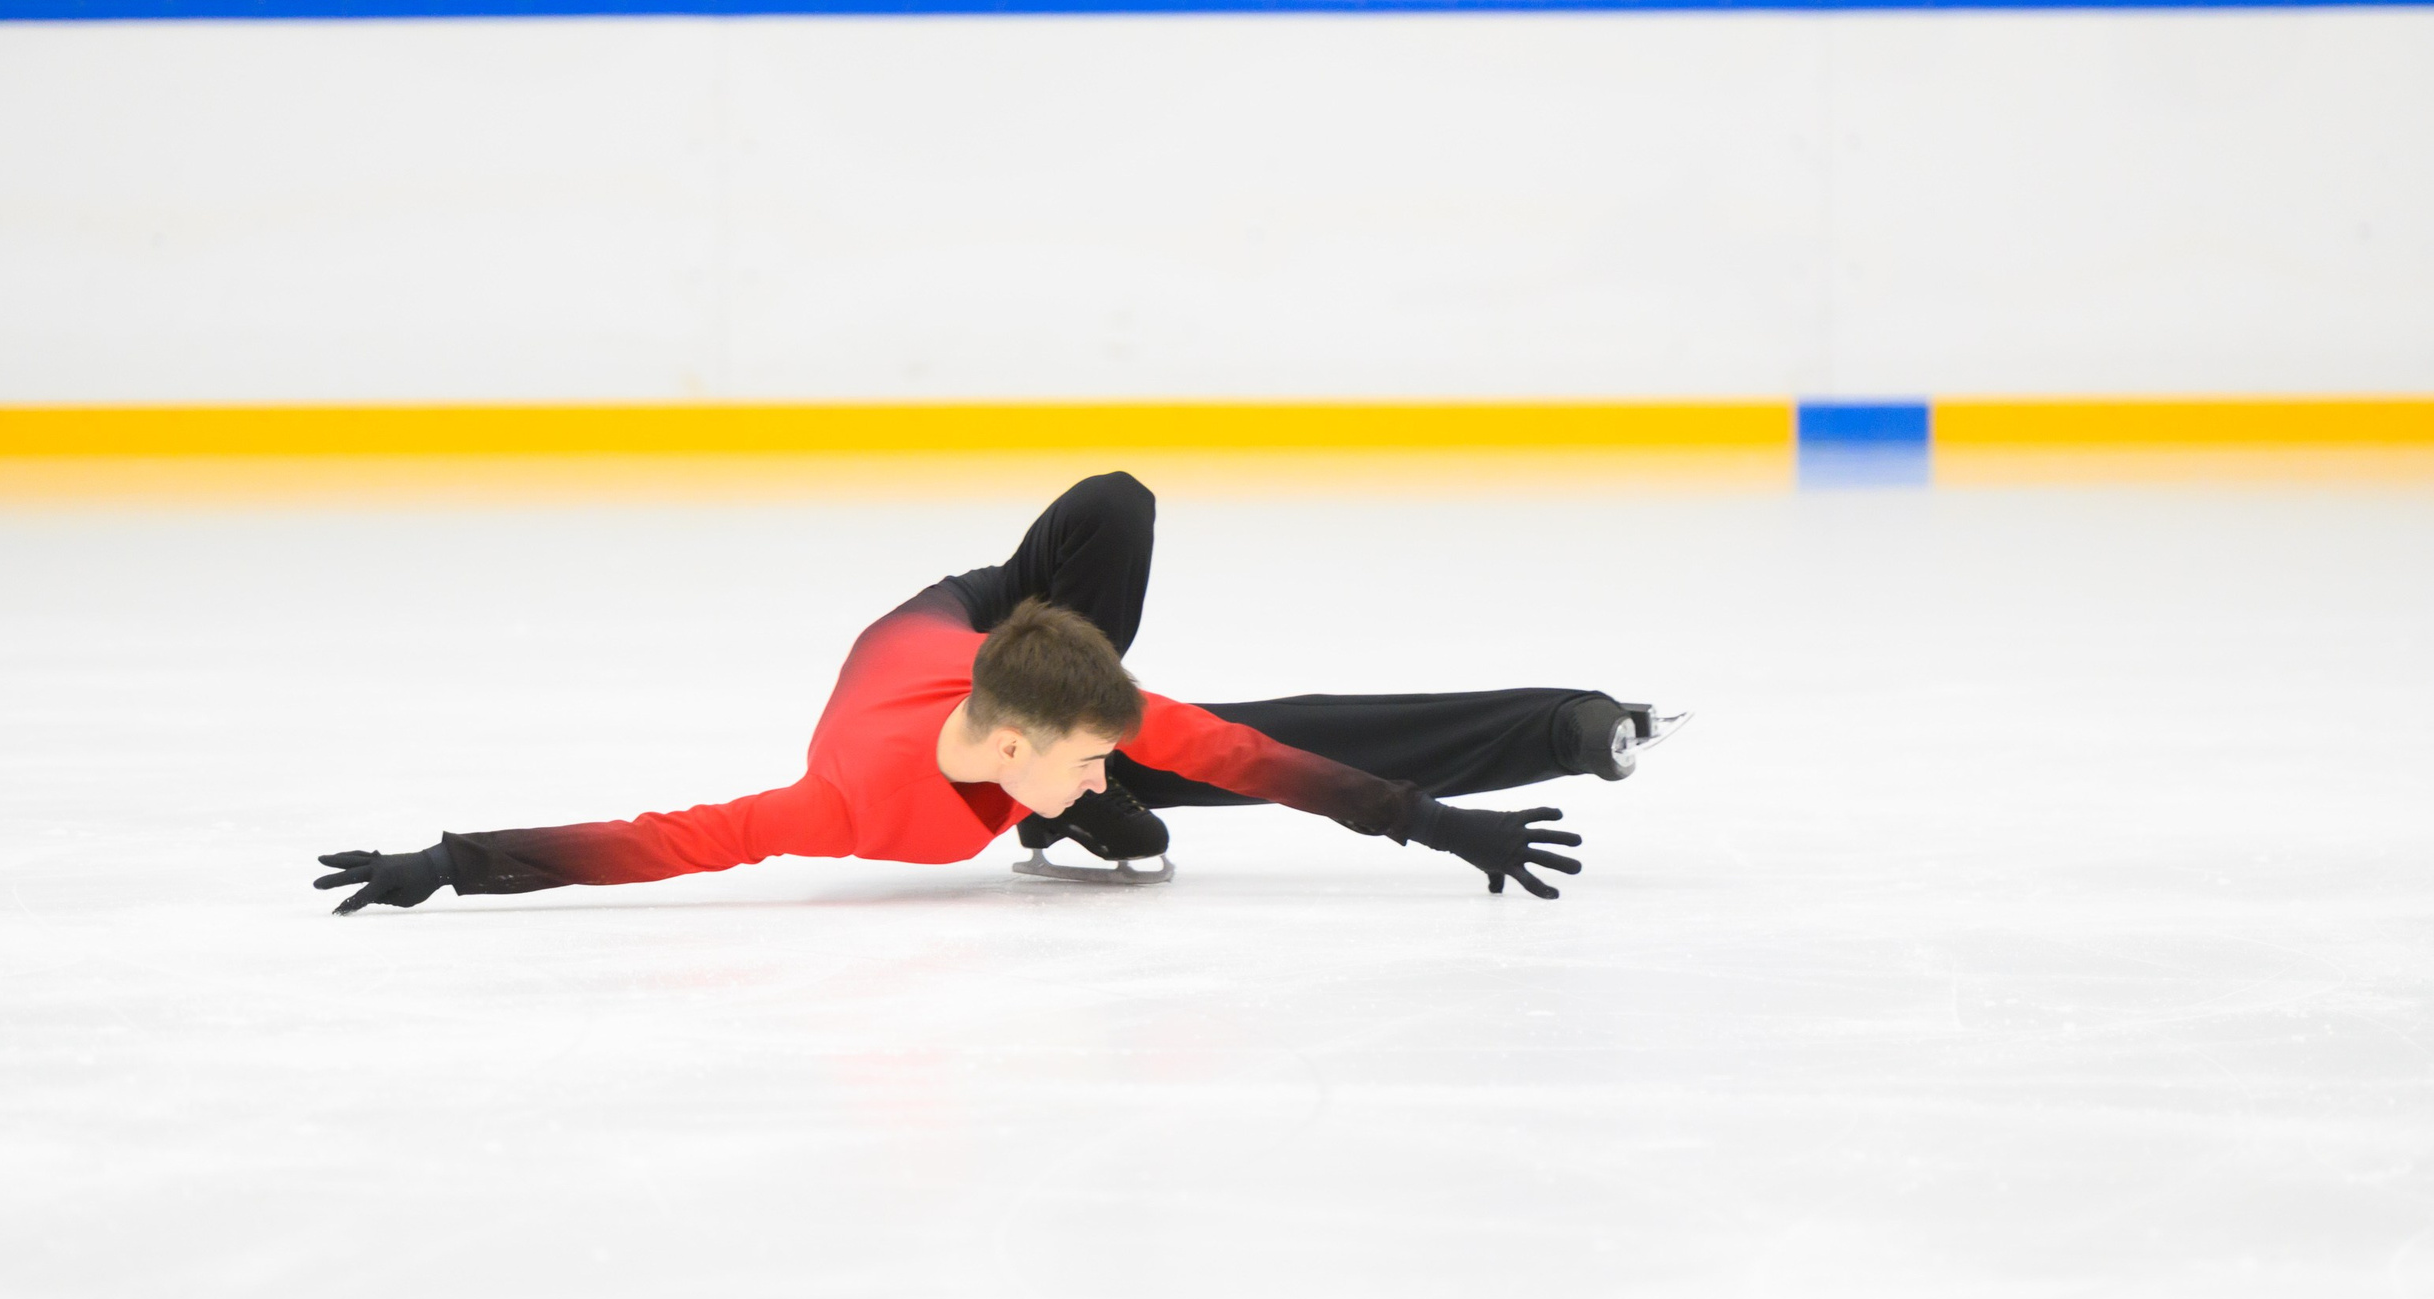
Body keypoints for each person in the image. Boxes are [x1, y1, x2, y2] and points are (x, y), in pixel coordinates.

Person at [312, 472, 1675, 915]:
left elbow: (1289, 766)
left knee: (1133, 542)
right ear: (1017, 743)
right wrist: (454, 861)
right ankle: (1075, 824)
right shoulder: (845, 803)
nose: (1105, 757)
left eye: (1097, 758)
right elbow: (662, 839)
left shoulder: (1059, 714)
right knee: (1142, 792)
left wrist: (1449, 825)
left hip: (999, 617)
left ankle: (1565, 721)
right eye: (1080, 763)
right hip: (929, 649)